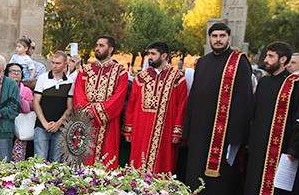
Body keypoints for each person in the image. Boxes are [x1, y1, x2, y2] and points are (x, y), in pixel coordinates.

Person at [233, 42, 299, 195]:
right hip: (260, 144)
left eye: (270, 56)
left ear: (283, 60)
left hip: (282, 146)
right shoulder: (265, 82)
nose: (266, 60)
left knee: (278, 190)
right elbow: (255, 113)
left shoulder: (296, 83)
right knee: (254, 184)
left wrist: (294, 148)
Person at [181, 22, 253, 195]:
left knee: (220, 177)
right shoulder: (203, 62)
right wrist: (188, 127)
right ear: (209, 38)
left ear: (229, 38)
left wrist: (237, 134)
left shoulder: (238, 62)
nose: (218, 39)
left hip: (223, 132)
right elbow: (194, 95)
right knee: (196, 173)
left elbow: (243, 99)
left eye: (222, 36)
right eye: (214, 36)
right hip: (200, 129)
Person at [123, 41, 187, 175]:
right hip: (141, 129)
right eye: (149, 54)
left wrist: (178, 130)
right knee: (138, 163)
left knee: (163, 165)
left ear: (164, 56)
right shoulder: (141, 77)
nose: (149, 57)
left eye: (153, 54)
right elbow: (131, 104)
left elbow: (182, 104)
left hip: (166, 130)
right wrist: (128, 128)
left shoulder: (177, 78)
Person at [71, 35, 129, 169]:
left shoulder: (120, 72)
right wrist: (86, 110)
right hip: (85, 121)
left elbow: (118, 97)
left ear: (111, 49)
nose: (97, 48)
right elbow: (78, 92)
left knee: (106, 161)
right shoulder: (85, 70)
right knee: (82, 159)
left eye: (101, 45)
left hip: (108, 122)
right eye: (96, 45)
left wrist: (97, 111)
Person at [33, 50, 73, 162]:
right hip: (41, 126)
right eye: (53, 62)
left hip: (61, 127)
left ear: (65, 64)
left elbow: (69, 107)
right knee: (39, 160)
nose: (54, 66)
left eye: (58, 63)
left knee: (56, 161)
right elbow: (36, 102)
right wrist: (44, 123)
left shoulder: (70, 82)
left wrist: (58, 123)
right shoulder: (43, 78)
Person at [6, 62, 35, 161]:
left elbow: (28, 108)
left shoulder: (26, 90)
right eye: (13, 71)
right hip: (5, 126)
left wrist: (19, 98)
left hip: (21, 125)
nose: (16, 73)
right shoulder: (2, 89)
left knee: (18, 157)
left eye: (19, 71)